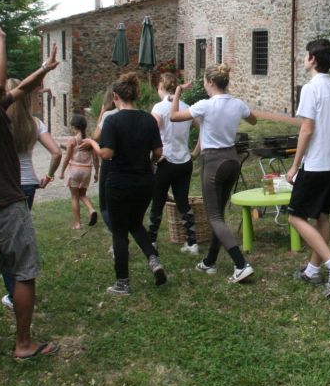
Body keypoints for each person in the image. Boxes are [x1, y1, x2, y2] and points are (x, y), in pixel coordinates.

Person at [0, 15, 59, 360]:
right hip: (5, 205)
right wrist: (0, 39)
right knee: (24, 272)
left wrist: (45, 70)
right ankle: (23, 344)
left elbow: (20, 89)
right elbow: (3, 86)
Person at [171, 63, 257, 283]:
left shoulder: (204, 105)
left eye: (204, 83)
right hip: (232, 160)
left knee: (214, 216)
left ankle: (241, 264)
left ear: (210, 83)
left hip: (213, 161)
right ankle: (210, 260)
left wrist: (178, 92)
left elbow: (174, 116)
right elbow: (253, 120)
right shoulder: (237, 104)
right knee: (218, 212)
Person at [82, 72, 166, 294]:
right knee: (136, 224)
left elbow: (107, 154)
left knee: (119, 232)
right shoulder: (148, 119)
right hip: (145, 182)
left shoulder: (112, 120)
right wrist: (149, 161)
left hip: (119, 182)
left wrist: (92, 142)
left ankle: (122, 283)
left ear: (116, 96)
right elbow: (158, 152)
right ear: (135, 95)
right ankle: (154, 260)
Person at [286, 39, 330, 298]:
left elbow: (307, 128)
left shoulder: (311, 89)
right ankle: (312, 270)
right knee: (322, 217)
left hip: (316, 165)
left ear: (312, 59)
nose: (304, 59)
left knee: (295, 217)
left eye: (305, 55)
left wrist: (294, 165)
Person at [0, 78, 62, 311]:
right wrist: (48, 176)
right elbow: (56, 153)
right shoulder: (34, 123)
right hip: (28, 185)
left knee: (7, 242)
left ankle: (15, 295)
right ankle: (21, 287)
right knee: (19, 235)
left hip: (5, 186)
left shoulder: (0, 122)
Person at [147, 72, 200, 254]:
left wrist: (151, 155)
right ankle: (192, 243)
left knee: (158, 201)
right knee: (183, 202)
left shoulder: (159, 108)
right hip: (184, 160)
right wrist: (195, 152)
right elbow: (202, 129)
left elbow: (150, 129)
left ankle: (152, 241)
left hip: (165, 160)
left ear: (160, 86)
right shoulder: (186, 108)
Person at [60, 114, 99, 230]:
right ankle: (91, 210)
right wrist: (97, 172)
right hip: (87, 171)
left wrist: (62, 172)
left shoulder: (72, 140)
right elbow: (96, 159)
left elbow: (67, 157)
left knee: (74, 197)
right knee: (82, 194)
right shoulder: (89, 141)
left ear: (74, 127)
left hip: (75, 170)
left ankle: (77, 223)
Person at [92, 86, 117, 231]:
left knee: (105, 204)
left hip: (109, 162)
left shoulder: (109, 115)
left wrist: (102, 111)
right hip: (127, 162)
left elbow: (96, 136)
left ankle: (116, 233)